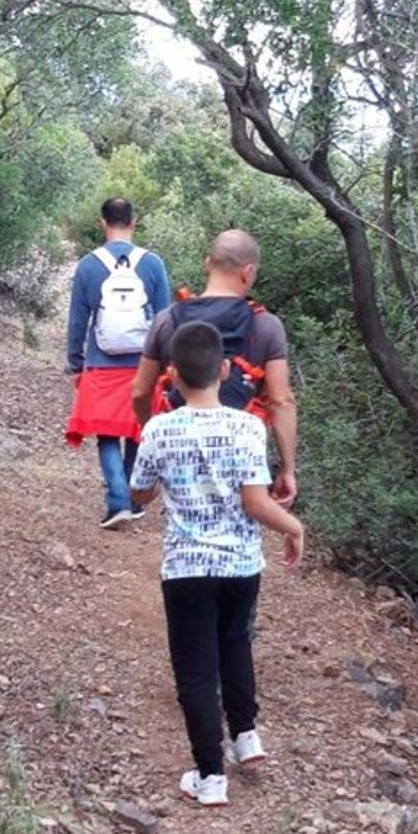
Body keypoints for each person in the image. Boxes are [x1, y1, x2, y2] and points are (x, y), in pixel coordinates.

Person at [130, 320, 305, 806]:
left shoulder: (159, 429)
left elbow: (139, 493)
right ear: (224, 369)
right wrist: (292, 527)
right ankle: (246, 736)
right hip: (241, 565)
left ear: (172, 375)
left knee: (195, 670)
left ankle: (210, 777)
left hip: (186, 568)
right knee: (235, 644)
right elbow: (255, 501)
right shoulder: (249, 426)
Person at [130, 229, 297, 509]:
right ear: (248, 271)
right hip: (241, 461)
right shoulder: (267, 326)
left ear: (208, 263)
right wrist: (288, 469)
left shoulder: (166, 320)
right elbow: (281, 400)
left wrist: (154, 434)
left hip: (181, 456)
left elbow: (139, 390)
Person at [66, 197, 171, 528]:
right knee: (138, 430)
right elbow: (164, 318)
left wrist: (76, 362)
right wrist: (165, 365)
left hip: (101, 363)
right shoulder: (153, 264)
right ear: (133, 222)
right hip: (145, 364)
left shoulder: (88, 265)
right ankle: (131, 498)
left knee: (107, 434)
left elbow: (78, 320)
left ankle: (118, 501)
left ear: (102, 223)